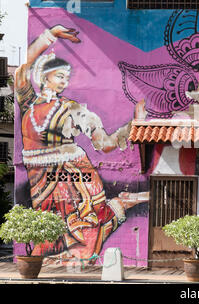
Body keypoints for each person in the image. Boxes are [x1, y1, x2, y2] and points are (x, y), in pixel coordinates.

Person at [14, 25, 147, 263]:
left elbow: (104, 144)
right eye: (59, 76)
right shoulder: (27, 103)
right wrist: (50, 35)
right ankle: (122, 202)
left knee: (85, 228)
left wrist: (133, 125)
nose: (64, 82)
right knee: (49, 233)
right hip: (40, 180)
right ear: (45, 77)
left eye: (66, 78)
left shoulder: (73, 109)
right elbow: (21, 71)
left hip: (75, 176)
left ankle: (121, 205)